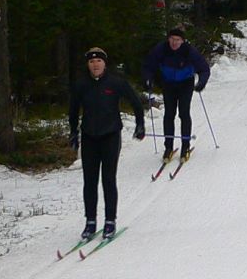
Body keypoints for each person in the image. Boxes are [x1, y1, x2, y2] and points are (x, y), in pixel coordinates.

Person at [69, 47, 145, 241]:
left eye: (99, 61)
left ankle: (110, 220)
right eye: (92, 62)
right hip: (89, 137)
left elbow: (136, 102)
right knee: (90, 180)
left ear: (105, 63)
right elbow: (73, 109)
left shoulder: (115, 82)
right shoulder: (81, 85)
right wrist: (73, 132)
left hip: (110, 135)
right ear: (88, 65)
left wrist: (140, 125)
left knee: (108, 179)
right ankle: (90, 221)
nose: (95, 65)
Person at [141, 28, 211, 162]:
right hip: (168, 84)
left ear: (182, 41)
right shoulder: (161, 49)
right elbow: (148, 66)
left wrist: (201, 82)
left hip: (186, 83)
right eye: (172, 39)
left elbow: (204, 68)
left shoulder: (189, 51)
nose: (174, 42)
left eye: (177, 40)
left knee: (184, 113)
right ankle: (168, 147)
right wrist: (147, 79)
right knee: (169, 114)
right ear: (168, 39)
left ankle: (185, 147)